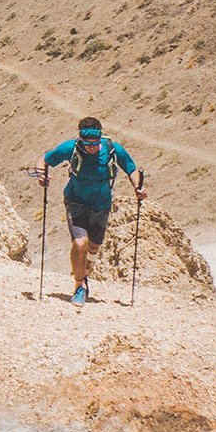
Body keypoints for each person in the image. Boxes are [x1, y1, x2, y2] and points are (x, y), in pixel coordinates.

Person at [36, 116, 144, 305]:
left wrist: (138, 188)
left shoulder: (113, 150)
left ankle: (84, 273)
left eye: (95, 143)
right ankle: (79, 287)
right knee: (80, 244)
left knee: (93, 247)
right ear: (81, 140)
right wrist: (41, 176)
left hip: (101, 205)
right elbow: (43, 161)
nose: (92, 147)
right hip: (75, 200)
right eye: (87, 144)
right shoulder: (71, 148)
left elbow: (132, 169)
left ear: (100, 138)